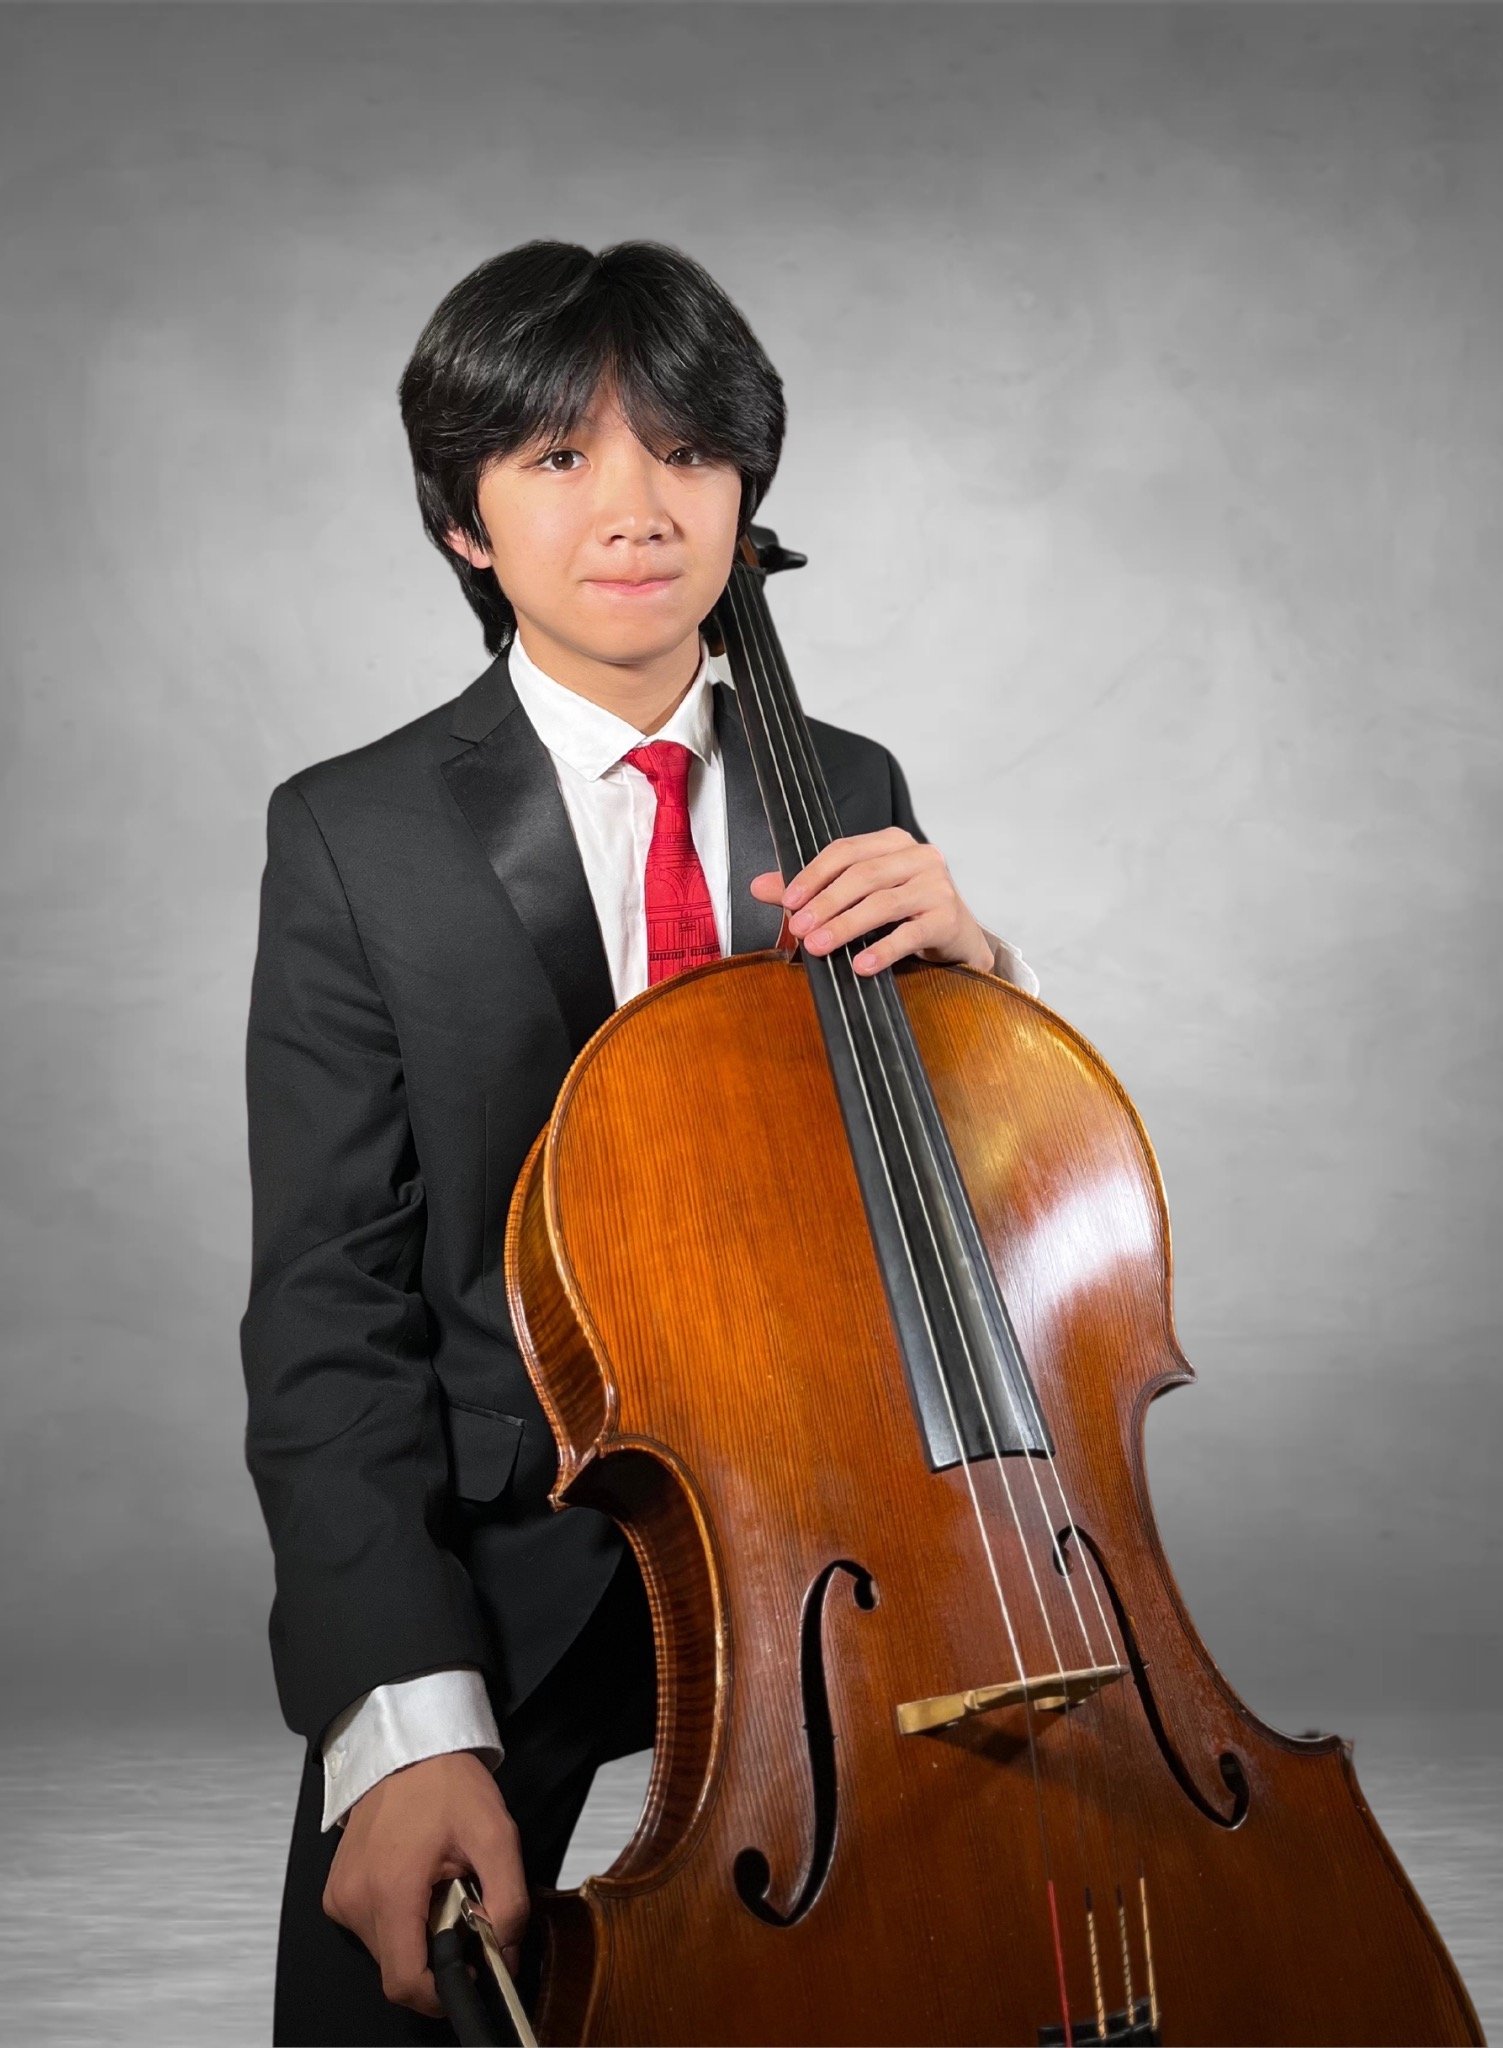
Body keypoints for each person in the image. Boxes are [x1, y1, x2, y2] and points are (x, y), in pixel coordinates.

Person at [240, 238, 1040, 2046]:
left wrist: (986, 984)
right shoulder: (352, 835)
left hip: (836, 1559)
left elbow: (968, 1209)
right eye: (556, 461)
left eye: (684, 453)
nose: (634, 508)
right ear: (466, 524)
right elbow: (328, 1312)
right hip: (507, 1561)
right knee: (391, 2004)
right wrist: (401, 1711)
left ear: (746, 493)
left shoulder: (856, 786)